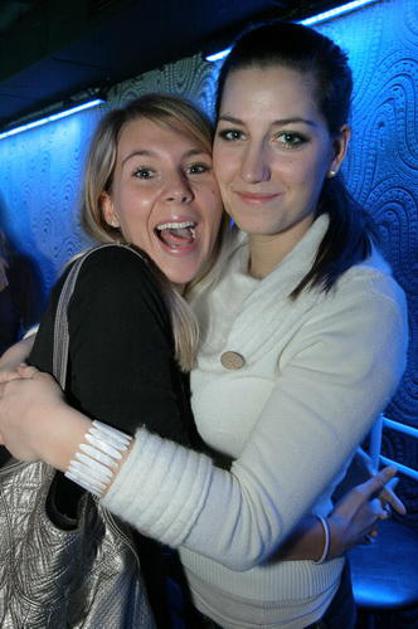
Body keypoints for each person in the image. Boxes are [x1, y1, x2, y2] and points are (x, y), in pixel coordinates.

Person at [0, 21, 409, 628]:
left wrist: (49, 427)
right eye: (234, 134)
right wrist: (25, 351)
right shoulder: (207, 263)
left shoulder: (359, 305)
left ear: (337, 150)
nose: (253, 169)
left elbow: (243, 524)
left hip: (280, 616)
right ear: (107, 205)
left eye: (289, 137)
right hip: (188, 596)